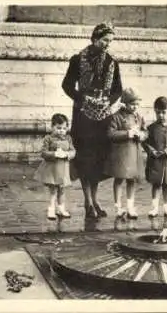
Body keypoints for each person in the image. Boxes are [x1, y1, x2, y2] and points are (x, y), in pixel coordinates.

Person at [62, 22, 123, 218]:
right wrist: (83, 98)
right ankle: (87, 202)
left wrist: (107, 101)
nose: (107, 44)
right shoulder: (78, 60)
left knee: (98, 160)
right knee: (85, 158)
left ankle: (95, 201)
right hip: (83, 117)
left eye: (110, 41)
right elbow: (67, 85)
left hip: (103, 117)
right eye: (105, 40)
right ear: (95, 39)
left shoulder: (112, 63)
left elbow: (118, 90)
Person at [104, 88, 147, 219]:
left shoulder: (139, 117)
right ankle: (118, 207)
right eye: (132, 104)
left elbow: (145, 131)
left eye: (137, 104)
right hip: (121, 154)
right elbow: (110, 134)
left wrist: (142, 135)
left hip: (134, 153)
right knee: (119, 179)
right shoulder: (116, 116)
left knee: (132, 180)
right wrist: (127, 134)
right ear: (124, 103)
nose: (134, 107)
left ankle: (130, 206)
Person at [33, 113, 76, 220]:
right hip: (53, 169)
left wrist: (67, 154)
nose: (61, 130)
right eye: (58, 128)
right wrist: (54, 154)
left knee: (62, 190)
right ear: (52, 127)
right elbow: (43, 152)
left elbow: (73, 151)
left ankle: (61, 208)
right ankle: (51, 209)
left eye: (64, 128)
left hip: (64, 168)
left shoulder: (68, 138)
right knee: (53, 191)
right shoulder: (49, 138)